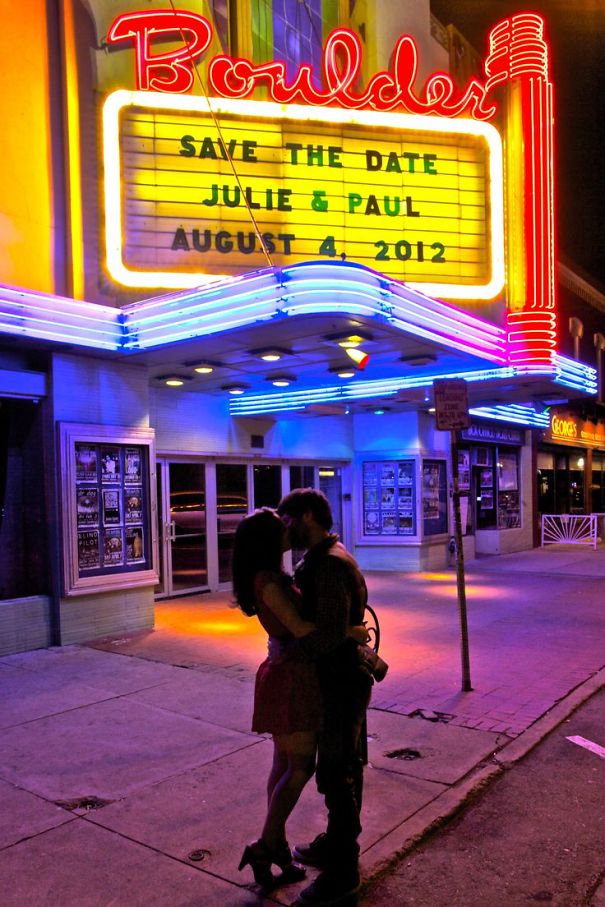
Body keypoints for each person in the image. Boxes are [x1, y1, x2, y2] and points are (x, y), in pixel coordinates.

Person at [232, 508, 367, 893]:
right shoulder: (269, 581)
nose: (288, 530)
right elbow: (303, 628)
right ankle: (267, 844)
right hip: (292, 678)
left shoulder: (271, 576)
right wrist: (351, 631)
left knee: (283, 764)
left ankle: (274, 845)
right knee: (302, 767)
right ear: (268, 540)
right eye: (281, 528)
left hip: (286, 674)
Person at [276, 488, 373, 907]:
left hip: (341, 681)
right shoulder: (323, 558)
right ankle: (335, 843)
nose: (286, 528)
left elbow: (331, 634)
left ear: (309, 516)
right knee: (344, 765)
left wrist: (287, 654)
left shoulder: (330, 566)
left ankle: (342, 872)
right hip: (338, 679)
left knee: (336, 772)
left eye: (289, 520)